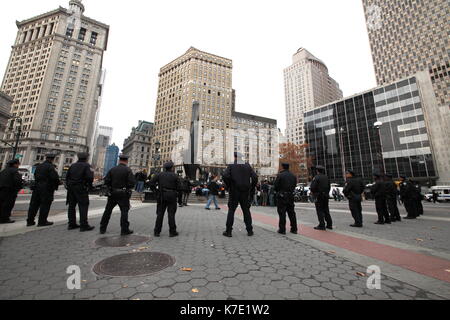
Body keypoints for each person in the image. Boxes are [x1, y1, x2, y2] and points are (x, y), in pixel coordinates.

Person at [222, 152, 258, 237]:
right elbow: (255, 177)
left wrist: (229, 185)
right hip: (245, 191)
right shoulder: (247, 165)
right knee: (246, 210)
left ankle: (228, 231)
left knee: (231, 210)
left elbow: (225, 175)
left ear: (235, 157)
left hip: (234, 190)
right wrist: (251, 187)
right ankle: (250, 230)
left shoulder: (231, 165)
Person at [99, 154, 136, 235]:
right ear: (126, 161)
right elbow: (132, 183)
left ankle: (102, 228)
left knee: (108, 211)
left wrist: (111, 188)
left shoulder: (112, 169)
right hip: (123, 194)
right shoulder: (128, 170)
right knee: (124, 212)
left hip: (112, 193)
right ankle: (124, 230)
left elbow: (106, 181)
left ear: (119, 160)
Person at [27, 154, 60, 227]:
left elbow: (35, 175)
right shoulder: (51, 167)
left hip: (37, 187)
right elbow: (54, 177)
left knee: (34, 204)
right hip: (46, 188)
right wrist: (57, 183)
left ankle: (30, 221)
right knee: (45, 205)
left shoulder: (39, 166)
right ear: (52, 159)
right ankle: (42, 221)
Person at [65, 152, 95, 232]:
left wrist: (69, 185)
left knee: (71, 206)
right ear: (86, 158)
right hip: (81, 187)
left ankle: (71, 224)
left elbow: (67, 177)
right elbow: (90, 177)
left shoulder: (72, 166)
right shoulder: (87, 166)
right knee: (83, 205)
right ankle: (84, 225)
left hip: (71, 188)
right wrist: (90, 186)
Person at [150, 161, 180, 237]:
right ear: (172, 168)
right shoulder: (175, 175)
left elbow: (151, 183)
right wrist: (176, 193)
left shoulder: (159, 174)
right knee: (171, 214)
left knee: (160, 214)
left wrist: (156, 191)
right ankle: (172, 232)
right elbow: (179, 187)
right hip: (172, 196)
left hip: (162, 195)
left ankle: (157, 231)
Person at [274, 163, 298, 235]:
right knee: (292, 213)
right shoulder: (293, 175)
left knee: (282, 213)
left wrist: (279, 191)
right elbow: (294, 185)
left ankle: (282, 229)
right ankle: (294, 229)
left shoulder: (280, 175)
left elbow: (276, 186)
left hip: (282, 196)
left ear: (283, 167)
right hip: (290, 195)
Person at [0, 159, 24, 224]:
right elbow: (18, 181)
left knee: (1, 204)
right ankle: (5, 218)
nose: (18, 165)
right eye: (18, 164)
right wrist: (19, 188)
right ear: (15, 164)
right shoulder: (15, 171)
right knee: (8, 205)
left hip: (1, 189)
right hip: (10, 190)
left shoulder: (4, 170)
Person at [310, 165, 332, 231]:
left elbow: (313, 187)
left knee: (319, 210)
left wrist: (313, 192)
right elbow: (329, 187)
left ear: (317, 171)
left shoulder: (316, 177)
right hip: (325, 195)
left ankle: (322, 225)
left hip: (319, 196)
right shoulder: (326, 177)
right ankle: (329, 224)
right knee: (326, 210)